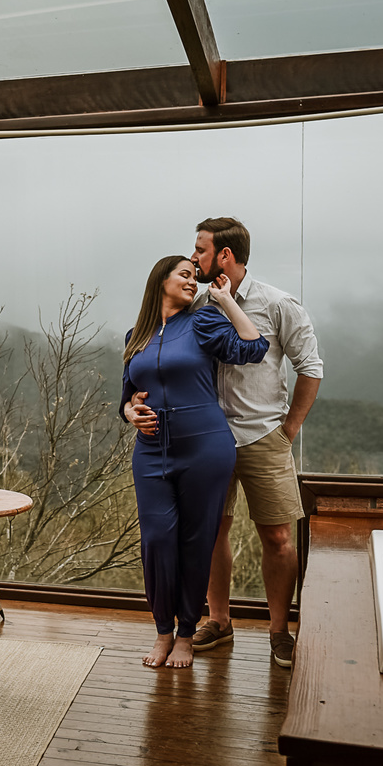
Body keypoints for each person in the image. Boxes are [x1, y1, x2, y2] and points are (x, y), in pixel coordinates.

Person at [185, 216, 323, 668]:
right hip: (208, 438)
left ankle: (280, 632)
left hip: (264, 436)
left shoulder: (278, 304)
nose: (193, 257)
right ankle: (219, 622)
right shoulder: (197, 302)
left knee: (279, 537)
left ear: (225, 255)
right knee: (212, 532)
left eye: (201, 250)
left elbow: (310, 368)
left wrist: (289, 430)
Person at [120, 255, 267, 668]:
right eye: (183, 275)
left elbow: (254, 348)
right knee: (157, 540)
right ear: (160, 281)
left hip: (204, 447)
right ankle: (162, 631)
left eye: (194, 277)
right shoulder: (136, 336)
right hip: (151, 451)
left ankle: (185, 634)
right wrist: (131, 413)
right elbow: (127, 396)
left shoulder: (202, 321)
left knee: (197, 540)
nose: (192, 282)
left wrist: (226, 300)